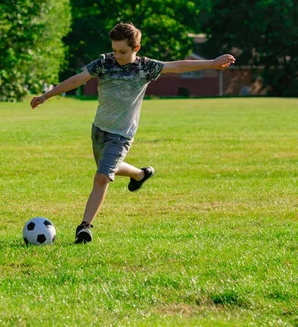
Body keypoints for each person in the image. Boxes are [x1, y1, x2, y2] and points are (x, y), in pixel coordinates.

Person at [30, 23, 235, 244]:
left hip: (121, 135)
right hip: (99, 130)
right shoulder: (104, 62)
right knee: (108, 168)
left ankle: (84, 227)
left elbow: (177, 66)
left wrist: (212, 64)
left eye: (123, 51)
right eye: (115, 50)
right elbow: (78, 79)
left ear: (136, 48)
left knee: (102, 177)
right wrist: (47, 95)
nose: (117, 55)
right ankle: (139, 174)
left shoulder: (145, 68)